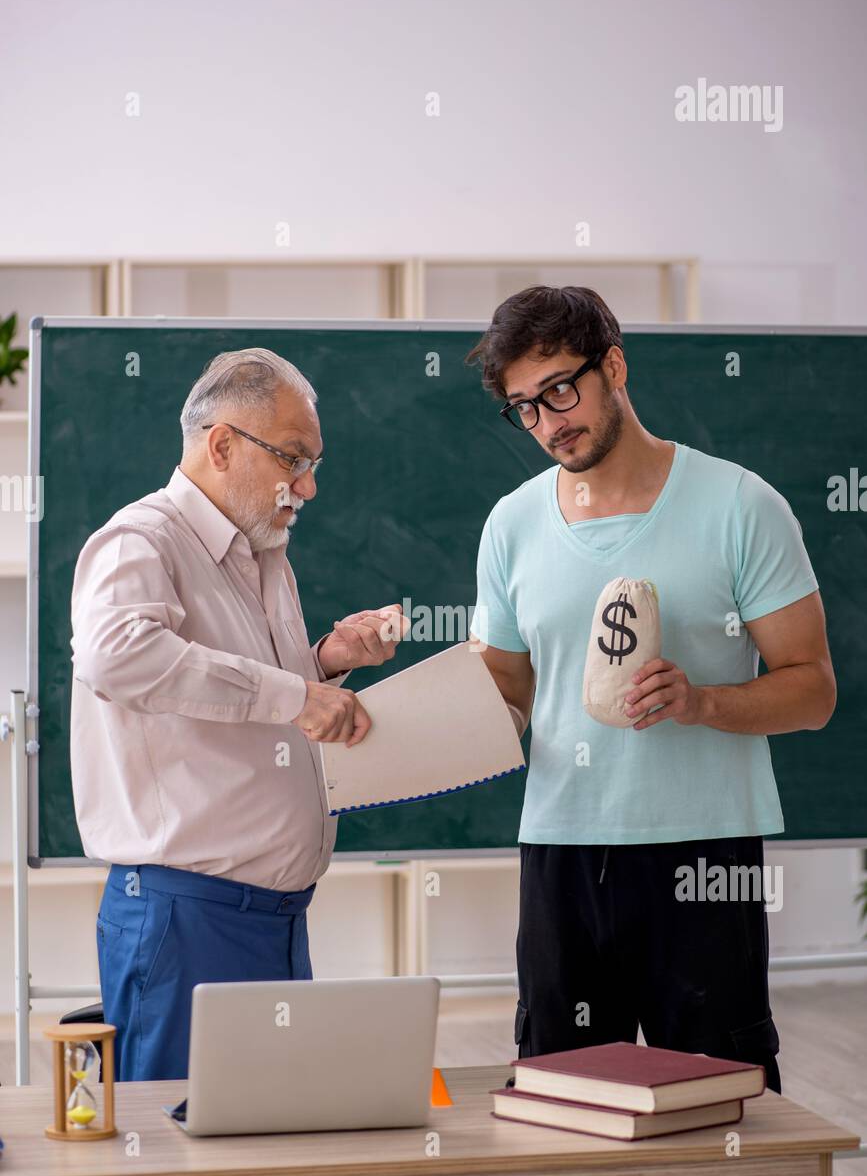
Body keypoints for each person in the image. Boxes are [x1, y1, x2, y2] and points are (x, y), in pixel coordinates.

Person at [467, 287, 836, 1093]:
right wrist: (422, 721)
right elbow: (504, 685)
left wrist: (701, 701)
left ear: (615, 366)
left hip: (704, 848)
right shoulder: (511, 523)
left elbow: (812, 692)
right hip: (562, 846)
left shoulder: (739, 504)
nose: (548, 422)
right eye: (523, 408)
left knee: (719, 1095)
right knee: (561, 1094)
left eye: (560, 389)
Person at [70, 347, 405, 1080]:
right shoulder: (141, 540)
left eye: (314, 462)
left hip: (275, 920)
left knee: (264, 1158)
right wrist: (295, 693)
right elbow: (116, 657)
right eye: (293, 458)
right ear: (221, 445)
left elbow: (243, 698)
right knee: (171, 1163)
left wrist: (324, 662)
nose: (307, 486)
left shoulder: (265, 556)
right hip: (185, 920)